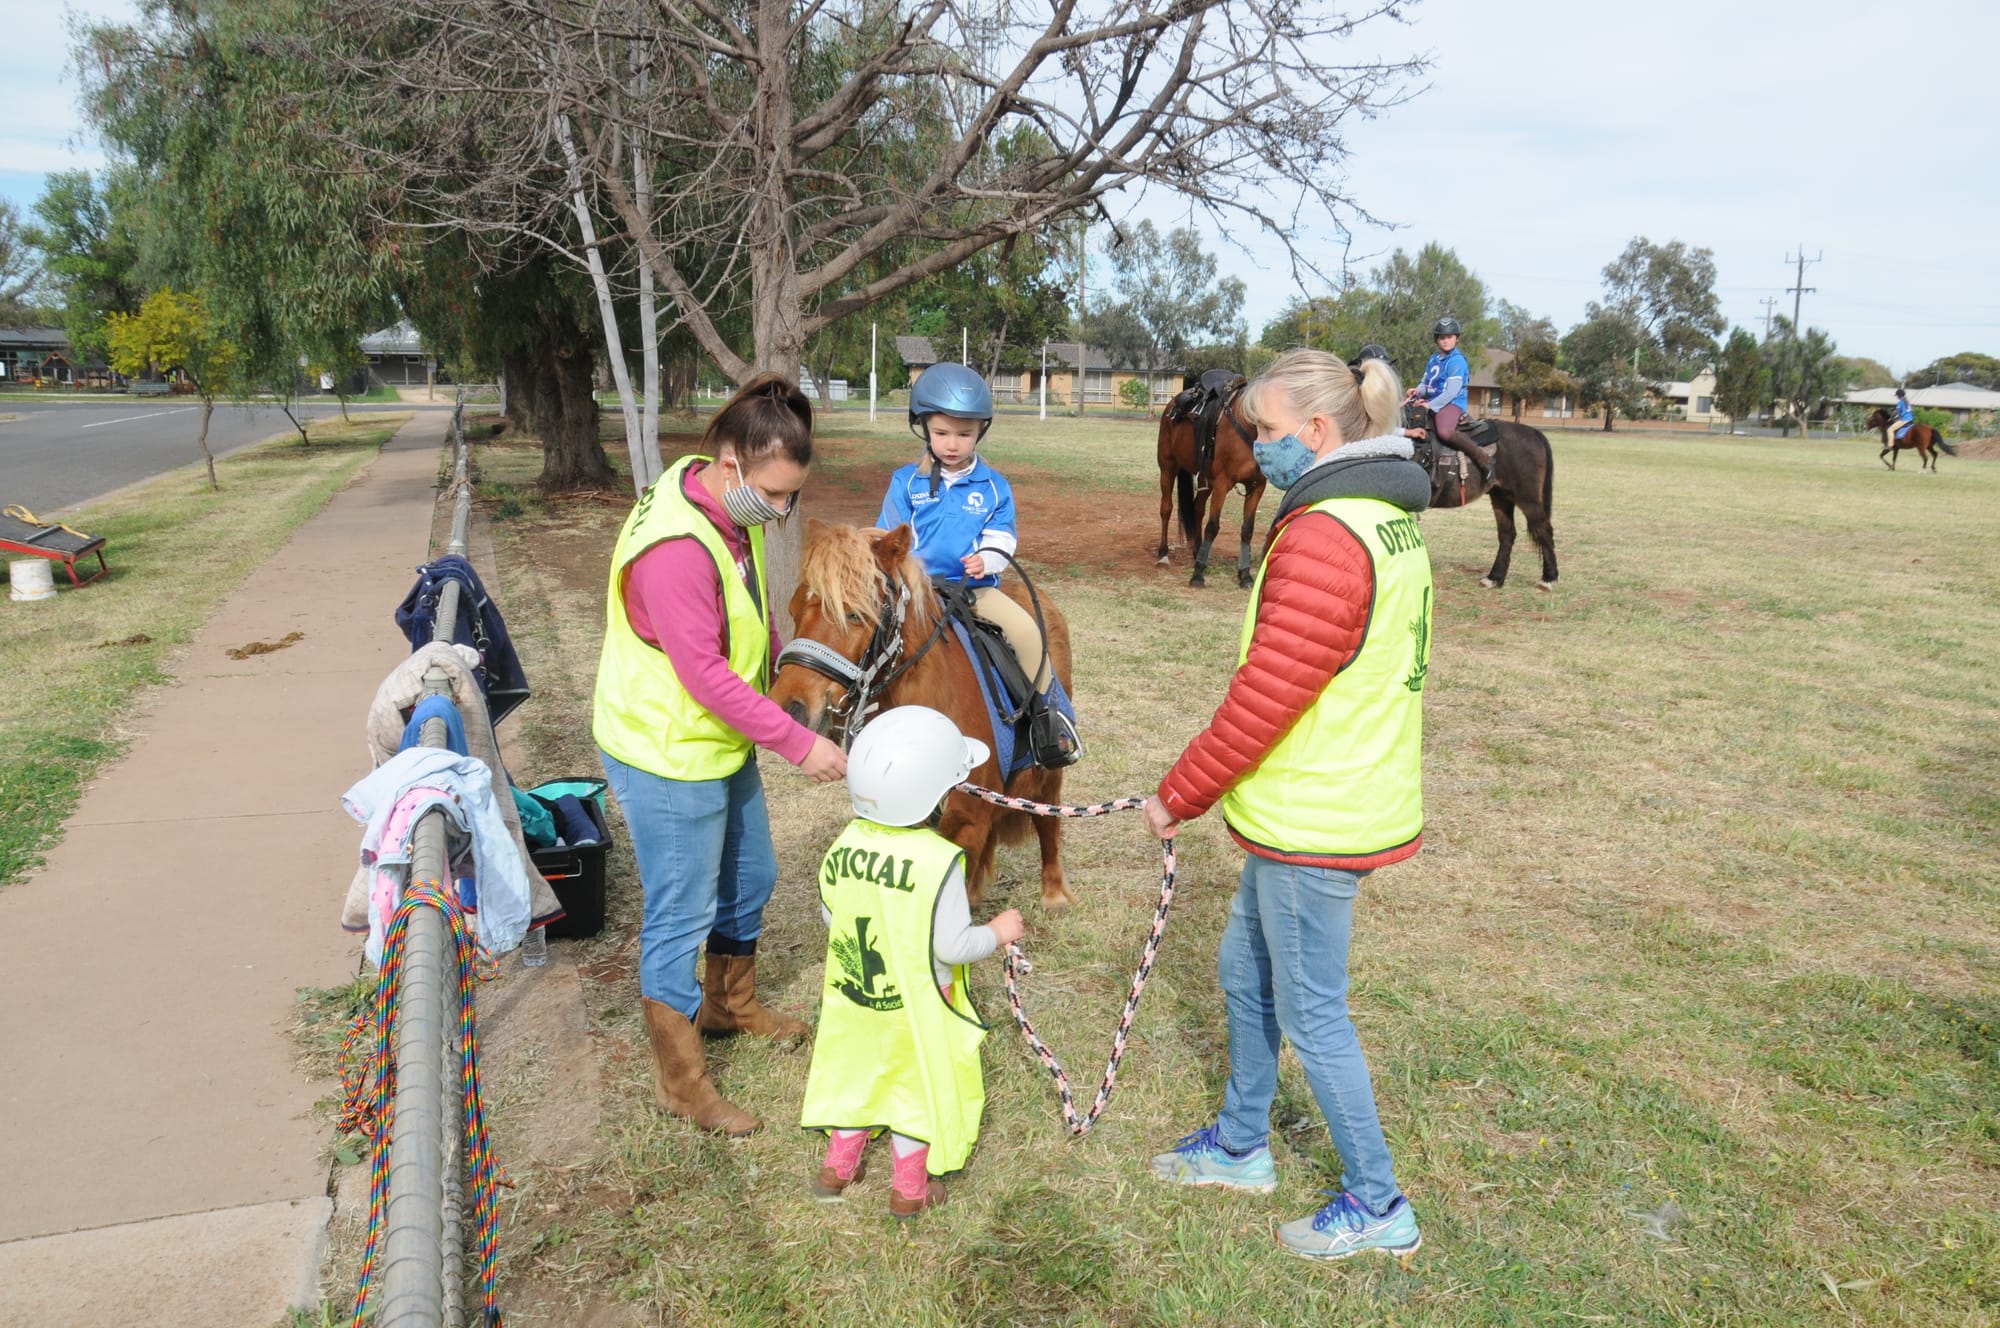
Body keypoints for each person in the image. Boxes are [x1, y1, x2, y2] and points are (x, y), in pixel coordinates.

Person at [1143, 346, 1433, 1264]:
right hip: (1306, 808)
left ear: (1314, 432)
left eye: (1262, 432)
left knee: (1312, 1012)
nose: (1252, 446)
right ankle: (1240, 1146)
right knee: (1244, 974)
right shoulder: (1379, 517)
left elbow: (1271, 692)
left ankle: (1379, 1203)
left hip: (1319, 817)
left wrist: (1178, 794)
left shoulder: (1325, 533)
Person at [593, 373, 849, 1137]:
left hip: (715, 742)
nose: (781, 511)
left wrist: (779, 672)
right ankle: (682, 1082)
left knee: (752, 875)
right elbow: (702, 675)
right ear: (731, 465)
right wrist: (798, 744)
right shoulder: (675, 547)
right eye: (772, 494)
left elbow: (744, 615)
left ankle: (730, 1004)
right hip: (666, 750)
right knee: (680, 913)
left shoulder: (711, 498)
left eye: (792, 497)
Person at [799, 705, 1026, 1218]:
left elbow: (831, 914)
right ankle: (909, 1189)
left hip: (856, 995)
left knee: (858, 1072)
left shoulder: (845, 844)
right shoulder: (939, 860)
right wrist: (997, 932)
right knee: (914, 1086)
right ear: (936, 794)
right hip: (921, 1000)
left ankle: (837, 1168)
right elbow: (951, 947)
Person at [877, 362, 1081, 767]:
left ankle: (1049, 722)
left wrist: (985, 558)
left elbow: (1002, 535)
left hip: (974, 590)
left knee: (1026, 632)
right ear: (924, 429)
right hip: (916, 594)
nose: (952, 444)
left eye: (964, 434)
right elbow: (886, 539)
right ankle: (860, 721)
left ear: (980, 432)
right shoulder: (905, 483)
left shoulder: (993, 486)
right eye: (942, 433)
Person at [1405, 317, 1492, 483]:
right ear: (1437, 340)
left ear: (1456, 338)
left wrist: (1430, 405)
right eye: (1442, 337)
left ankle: (1482, 459)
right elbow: (1426, 383)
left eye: (1449, 337)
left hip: (1451, 403)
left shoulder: (1456, 360)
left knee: (1444, 431)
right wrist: (1417, 391)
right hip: (1431, 401)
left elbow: (1452, 391)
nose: (1445, 341)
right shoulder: (1434, 359)